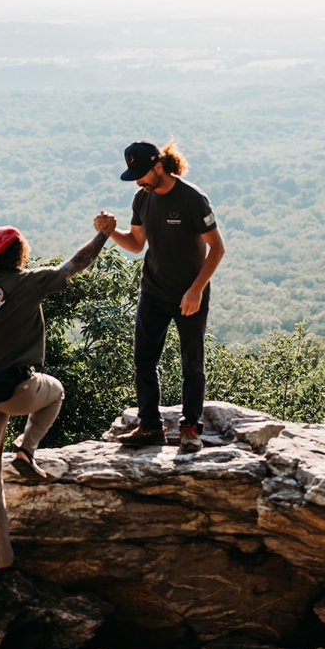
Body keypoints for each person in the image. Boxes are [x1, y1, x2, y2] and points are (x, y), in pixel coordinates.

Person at [0, 222, 112, 577]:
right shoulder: (30, 281)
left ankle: (0, 558)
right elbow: (76, 263)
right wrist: (104, 233)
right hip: (19, 391)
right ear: (19, 253)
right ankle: (25, 450)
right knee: (56, 391)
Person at [94, 139, 225, 452]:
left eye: (141, 174)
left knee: (192, 363)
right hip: (153, 291)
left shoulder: (192, 199)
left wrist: (196, 289)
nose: (138, 181)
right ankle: (150, 425)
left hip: (189, 294)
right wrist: (109, 231)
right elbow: (137, 243)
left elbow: (217, 248)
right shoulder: (142, 199)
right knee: (144, 361)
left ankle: (190, 428)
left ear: (158, 167)